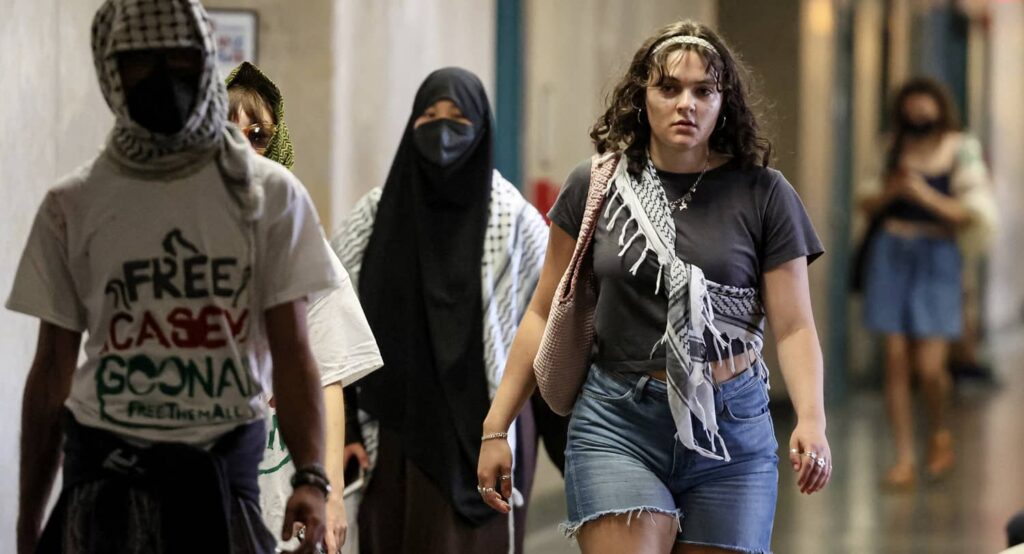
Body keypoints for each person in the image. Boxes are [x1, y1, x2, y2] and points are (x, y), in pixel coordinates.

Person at [478, 20, 832, 553]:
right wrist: (495, 426)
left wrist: (811, 418)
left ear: (724, 102)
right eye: (668, 88)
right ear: (641, 97)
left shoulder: (763, 194)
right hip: (619, 419)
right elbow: (542, 310)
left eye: (703, 91)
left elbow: (794, 326)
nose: (685, 104)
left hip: (731, 424)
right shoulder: (593, 185)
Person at [8, 1, 343, 552]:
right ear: (111, 70)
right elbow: (51, 370)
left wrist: (312, 477)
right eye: (141, 62)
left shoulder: (267, 197)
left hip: (219, 488)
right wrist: (27, 523)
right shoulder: (73, 205)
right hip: (102, 489)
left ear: (207, 60)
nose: (162, 76)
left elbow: (293, 350)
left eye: (180, 58)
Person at [332, 67, 548, 553]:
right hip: (396, 427)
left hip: (488, 425)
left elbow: (554, 323)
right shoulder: (374, 214)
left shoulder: (512, 219)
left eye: (458, 118)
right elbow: (330, 322)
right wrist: (343, 423)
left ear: (482, 128)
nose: (443, 131)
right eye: (429, 116)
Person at [226, 61, 385, 553]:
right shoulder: (179, 231)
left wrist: (331, 493)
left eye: (256, 135)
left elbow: (330, 375)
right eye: (227, 130)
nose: (243, 147)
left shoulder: (299, 237)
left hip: (283, 479)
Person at [857, 77, 996, 490]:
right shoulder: (889, 149)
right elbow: (865, 200)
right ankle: (904, 458)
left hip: (938, 258)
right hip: (892, 254)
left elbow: (972, 213)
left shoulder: (960, 149)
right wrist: (891, 191)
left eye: (925, 109)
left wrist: (923, 194)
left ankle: (939, 433)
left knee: (931, 367)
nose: (918, 117)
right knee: (896, 358)